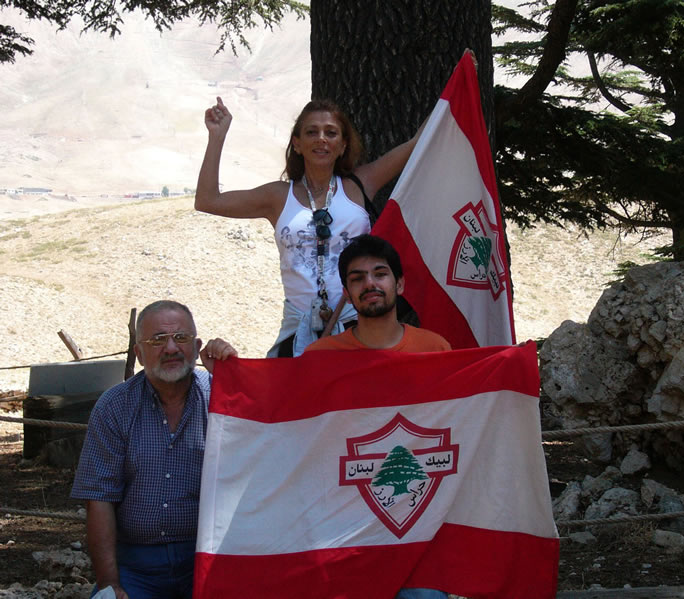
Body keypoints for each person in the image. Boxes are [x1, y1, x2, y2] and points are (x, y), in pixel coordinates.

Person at [195, 97, 425, 357]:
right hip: (298, 331)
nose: (321, 139)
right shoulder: (277, 196)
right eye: (312, 132)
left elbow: (416, 143)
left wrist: (457, 84)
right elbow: (207, 201)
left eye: (331, 132)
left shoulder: (361, 184)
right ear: (297, 143)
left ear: (343, 145)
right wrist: (217, 137)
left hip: (360, 326)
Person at [305, 235, 449, 599]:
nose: (369, 283)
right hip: (344, 525)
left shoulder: (436, 350)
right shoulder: (319, 358)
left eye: (380, 274)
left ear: (399, 284)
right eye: (357, 278)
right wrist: (228, 372)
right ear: (347, 292)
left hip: (418, 521)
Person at [71, 300, 238, 599]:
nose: (171, 348)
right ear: (138, 353)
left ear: (197, 346)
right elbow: (99, 499)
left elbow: (264, 459)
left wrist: (232, 379)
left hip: (209, 557)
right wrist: (111, 584)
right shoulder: (114, 407)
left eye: (181, 338)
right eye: (158, 340)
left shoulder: (223, 397)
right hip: (136, 565)